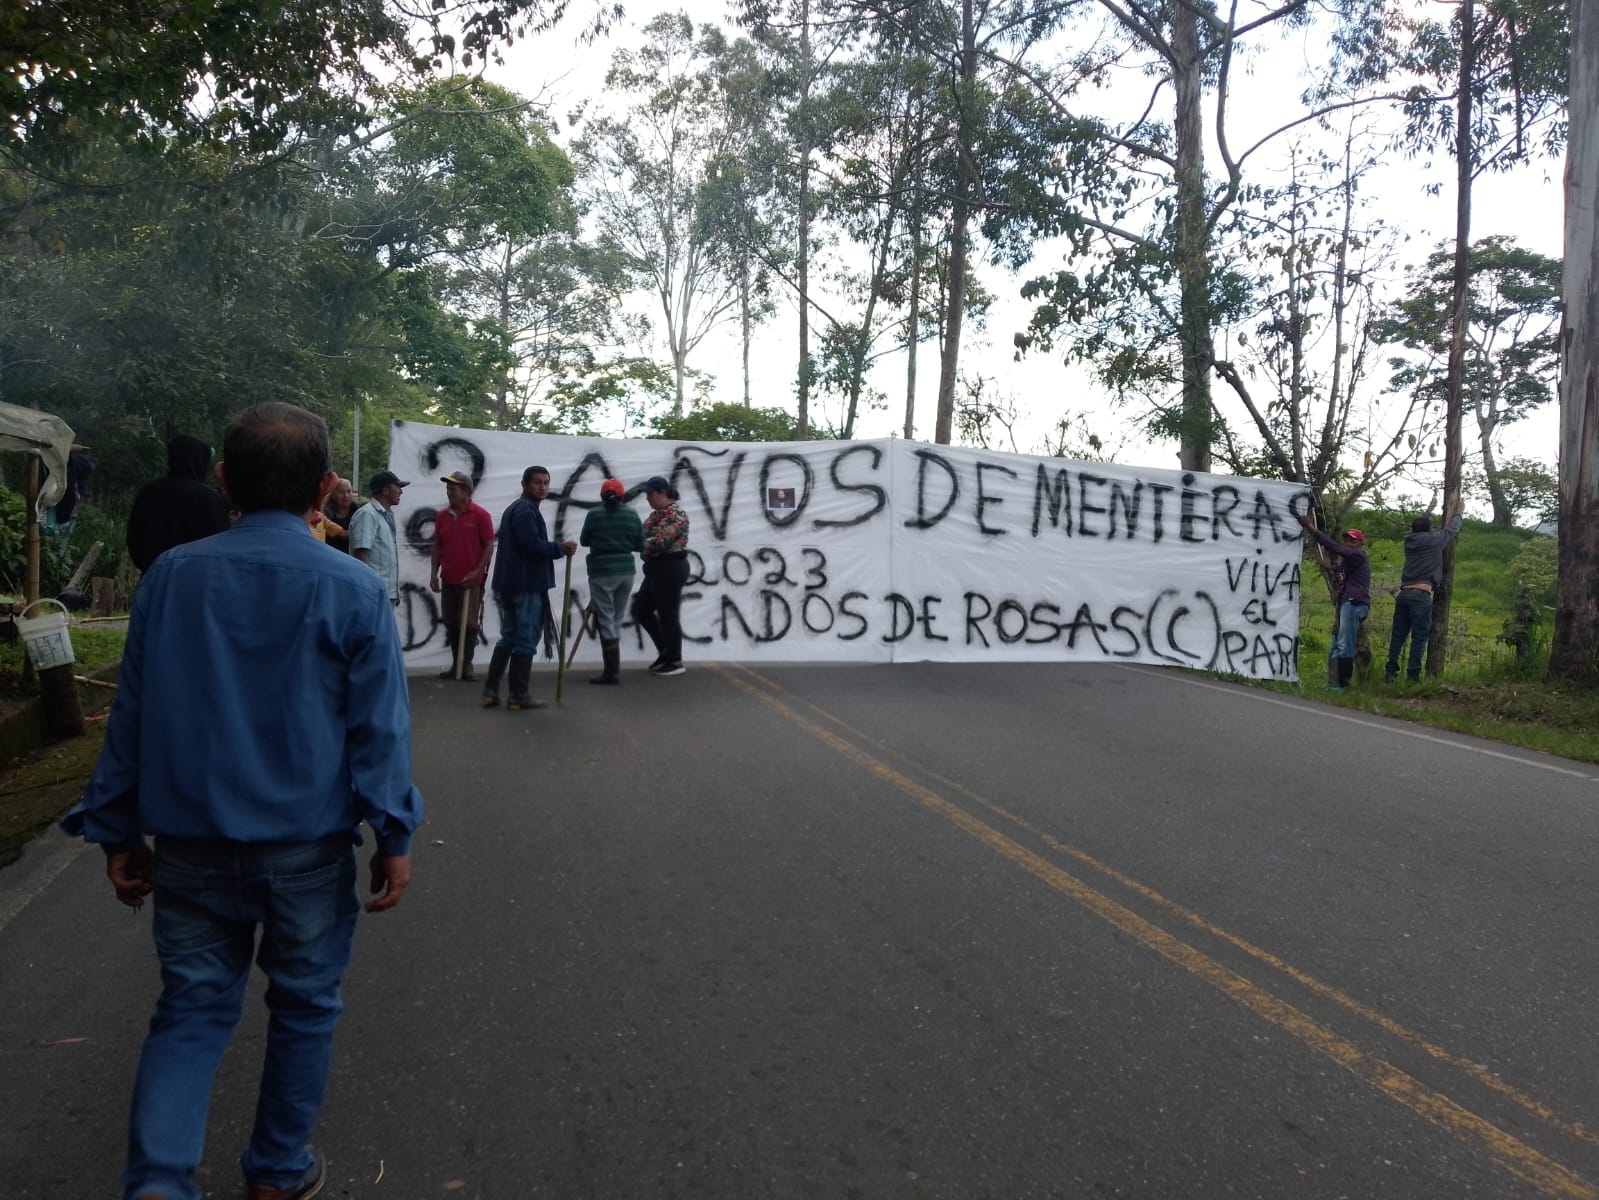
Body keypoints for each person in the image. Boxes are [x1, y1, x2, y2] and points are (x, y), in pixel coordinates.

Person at [59, 401, 423, 1200]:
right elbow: (379, 732)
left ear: (223, 479)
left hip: (188, 851)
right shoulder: (355, 589)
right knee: (303, 1008)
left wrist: (115, 830)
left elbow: (133, 713)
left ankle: (157, 1186)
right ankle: (277, 1173)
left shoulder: (171, 578)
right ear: (329, 488)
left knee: (189, 1014)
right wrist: (394, 833)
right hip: (307, 853)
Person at [481, 465, 575, 710]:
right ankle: (518, 695)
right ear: (525, 484)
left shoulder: (518, 508)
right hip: (526, 584)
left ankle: (491, 691)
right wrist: (560, 549)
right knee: (525, 638)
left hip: (510, 583)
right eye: (537, 482)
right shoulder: (525, 510)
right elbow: (530, 544)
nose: (542, 487)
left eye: (545, 482)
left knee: (509, 636)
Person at [125, 434, 231, 572]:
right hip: (192, 579)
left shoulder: (148, 491)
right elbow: (220, 542)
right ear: (199, 461)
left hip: (151, 576)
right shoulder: (206, 498)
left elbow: (134, 536)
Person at [429, 470, 495, 681]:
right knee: (451, 621)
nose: (449, 492)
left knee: (469, 623)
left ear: (466, 491)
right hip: (449, 577)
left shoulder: (480, 515)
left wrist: (477, 571)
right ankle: (456, 663)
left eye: (453, 489)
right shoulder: (442, 516)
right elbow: (437, 545)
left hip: (471, 580)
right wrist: (434, 573)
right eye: (448, 488)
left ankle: (466, 665)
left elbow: (488, 545)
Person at [579, 477, 644, 685]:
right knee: (615, 617)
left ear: (602, 496)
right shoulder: (632, 514)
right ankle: (612, 669)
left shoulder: (594, 514)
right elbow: (640, 545)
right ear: (623, 495)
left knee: (605, 618)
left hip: (601, 571)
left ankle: (611, 672)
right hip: (626, 570)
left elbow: (584, 540)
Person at [1385, 511, 1464, 682]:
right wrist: (1458, 512)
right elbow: (1452, 530)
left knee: (1398, 636)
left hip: (1404, 594)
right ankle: (1412, 676)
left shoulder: (1409, 541)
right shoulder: (1433, 540)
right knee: (1419, 638)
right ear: (1429, 530)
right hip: (1421, 595)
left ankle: (1390, 673)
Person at [1299, 514, 1370, 691]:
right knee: (1335, 644)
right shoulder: (1351, 561)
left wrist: (1311, 528)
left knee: (1344, 643)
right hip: (1345, 603)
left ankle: (1343, 685)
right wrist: (1330, 567)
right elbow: (1341, 568)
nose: (1348, 544)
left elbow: (1335, 547)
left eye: (1352, 541)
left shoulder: (1357, 556)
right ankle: (1332, 684)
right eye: (1346, 540)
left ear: (1360, 544)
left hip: (1353, 603)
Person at [632, 474, 690, 677]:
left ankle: (675, 660)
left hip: (671, 567)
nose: (647, 498)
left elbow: (660, 540)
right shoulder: (656, 514)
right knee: (641, 609)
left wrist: (639, 544)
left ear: (661, 492)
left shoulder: (676, 513)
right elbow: (640, 535)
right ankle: (665, 651)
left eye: (649, 494)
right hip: (656, 568)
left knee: (668, 614)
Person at [348, 469, 408, 606]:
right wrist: (366, 590)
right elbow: (360, 555)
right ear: (386, 490)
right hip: (373, 593)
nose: (401, 492)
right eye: (398, 487)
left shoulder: (386, 514)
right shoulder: (368, 514)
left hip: (386, 592)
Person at [321, 477, 362, 553]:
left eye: (349, 491)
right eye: (341, 492)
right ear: (333, 495)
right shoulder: (325, 513)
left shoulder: (360, 512)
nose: (346, 496)